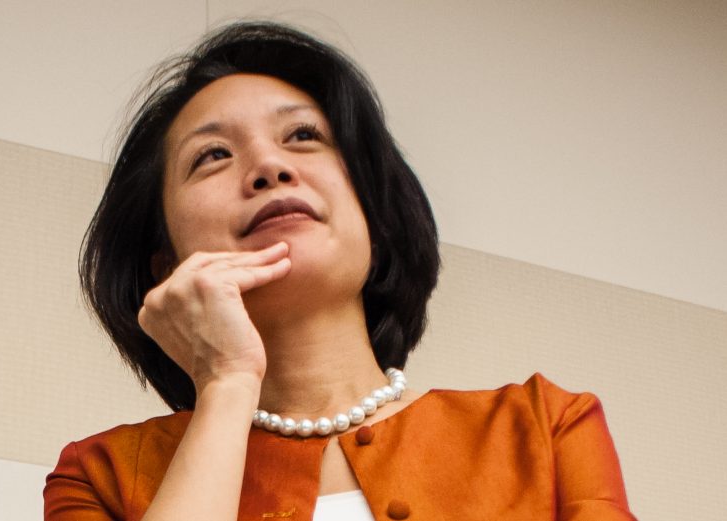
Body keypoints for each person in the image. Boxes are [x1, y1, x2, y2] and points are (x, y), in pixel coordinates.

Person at [43, 21, 636, 521]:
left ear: (374, 216)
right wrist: (226, 383)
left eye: (304, 136)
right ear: (167, 265)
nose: (269, 165)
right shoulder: (100, 477)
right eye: (213, 155)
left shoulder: (545, 428)